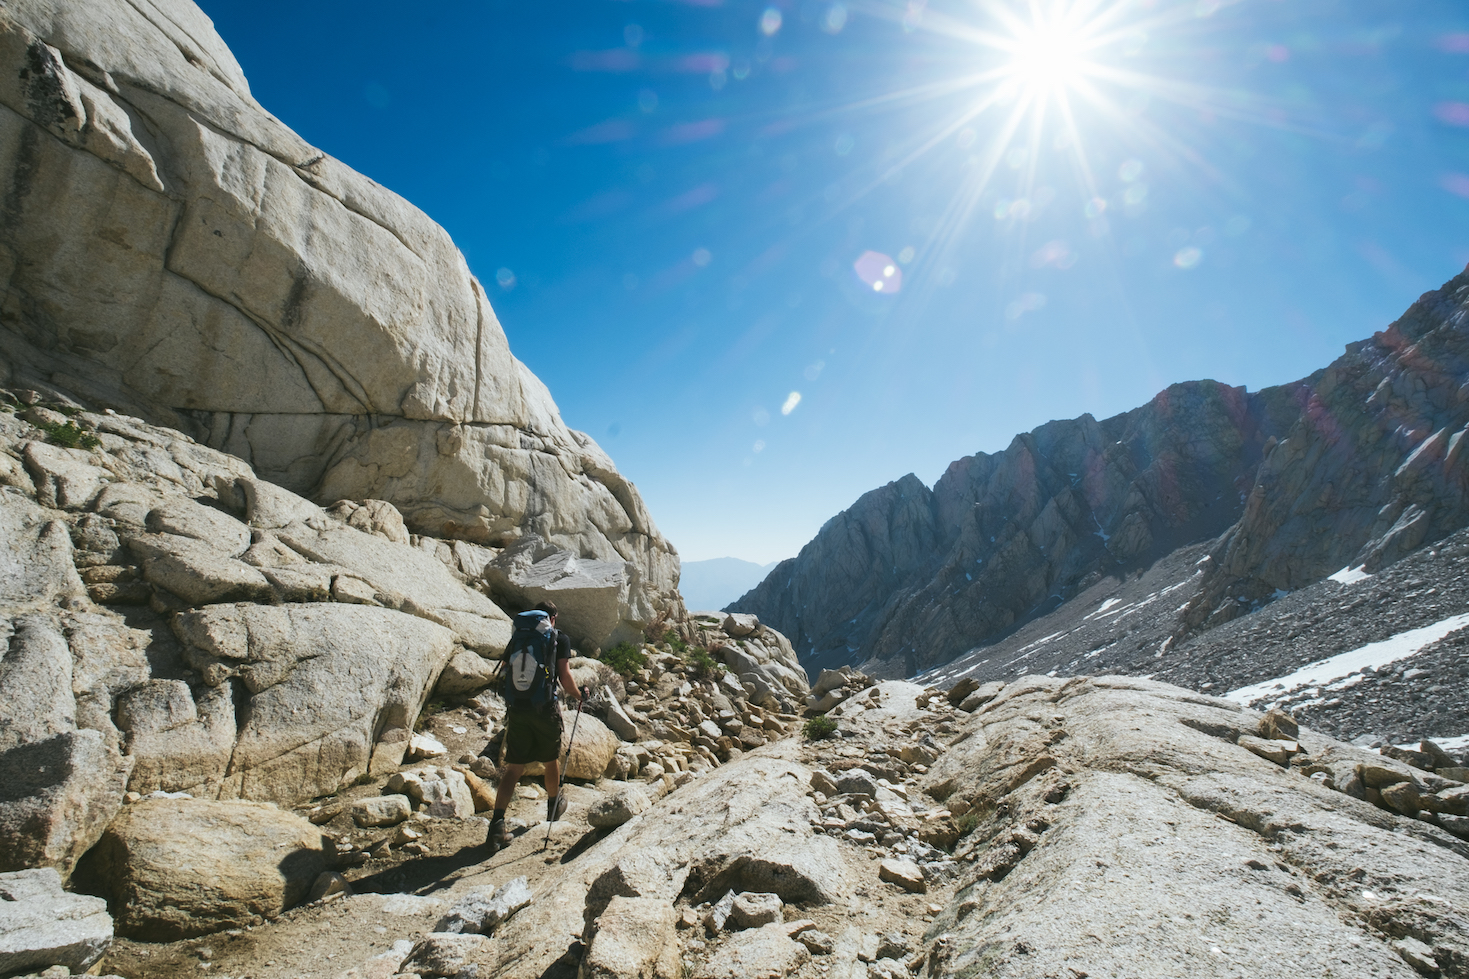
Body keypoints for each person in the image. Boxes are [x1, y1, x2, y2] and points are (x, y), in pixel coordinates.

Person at [486, 600, 582, 852]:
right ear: (553, 617)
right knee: (551, 760)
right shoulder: (558, 638)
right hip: (544, 708)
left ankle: (496, 826)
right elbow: (565, 675)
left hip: (517, 708)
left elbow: (506, 670)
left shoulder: (518, 636)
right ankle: (553, 805)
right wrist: (579, 695)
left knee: (514, 767)